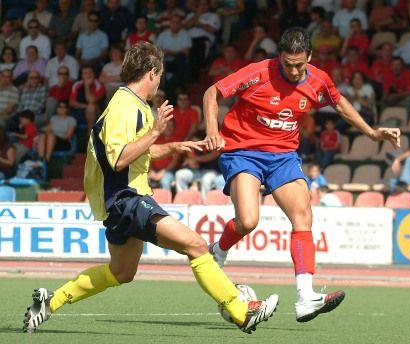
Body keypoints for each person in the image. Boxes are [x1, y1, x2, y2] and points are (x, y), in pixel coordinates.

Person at [22, 41, 278, 334]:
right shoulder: (123, 107)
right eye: (160, 74)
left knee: (121, 272)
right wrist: (156, 131)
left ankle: (50, 302)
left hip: (120, 203)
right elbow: (118, 159)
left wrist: (173, 145)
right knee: (195, 245)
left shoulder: (134, 105)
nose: (160, 81)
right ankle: (240, 310)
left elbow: (135, 151)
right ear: (152, 73)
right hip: (127, 199)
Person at [204, 27, 400, 323]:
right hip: (243, 151)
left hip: (283, 156)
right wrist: (211, 130)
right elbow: (212, 92)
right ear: (279, 58)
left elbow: (339, 103)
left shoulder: (319, 80)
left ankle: (305, 297)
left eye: (299, 64)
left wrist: (371, 132)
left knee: (303, 215)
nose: (294, 71)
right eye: (287, 64)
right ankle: (218, 250)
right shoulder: (259, 73)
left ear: (309, 56)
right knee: (248, 221)